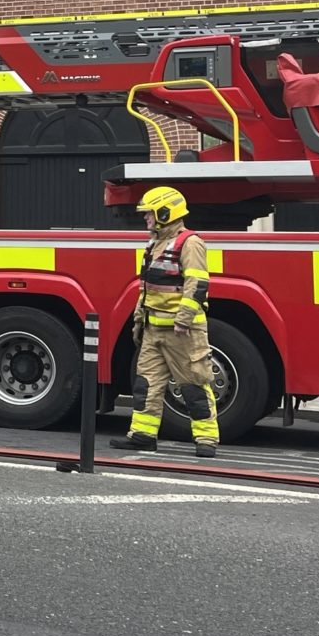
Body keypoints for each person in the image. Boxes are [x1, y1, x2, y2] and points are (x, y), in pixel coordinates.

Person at [110, 185, 221, 458]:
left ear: (164, 212)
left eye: (149, 214)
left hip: (181, 331)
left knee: (193, 385)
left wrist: (183, 320)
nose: (146, 219)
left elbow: (197, 284)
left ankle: (206, 439)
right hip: (153, 329)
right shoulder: (154, 243)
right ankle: (143, 435)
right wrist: (139, 321)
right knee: (146, 385)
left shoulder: (189, 242)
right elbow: (145, 288)